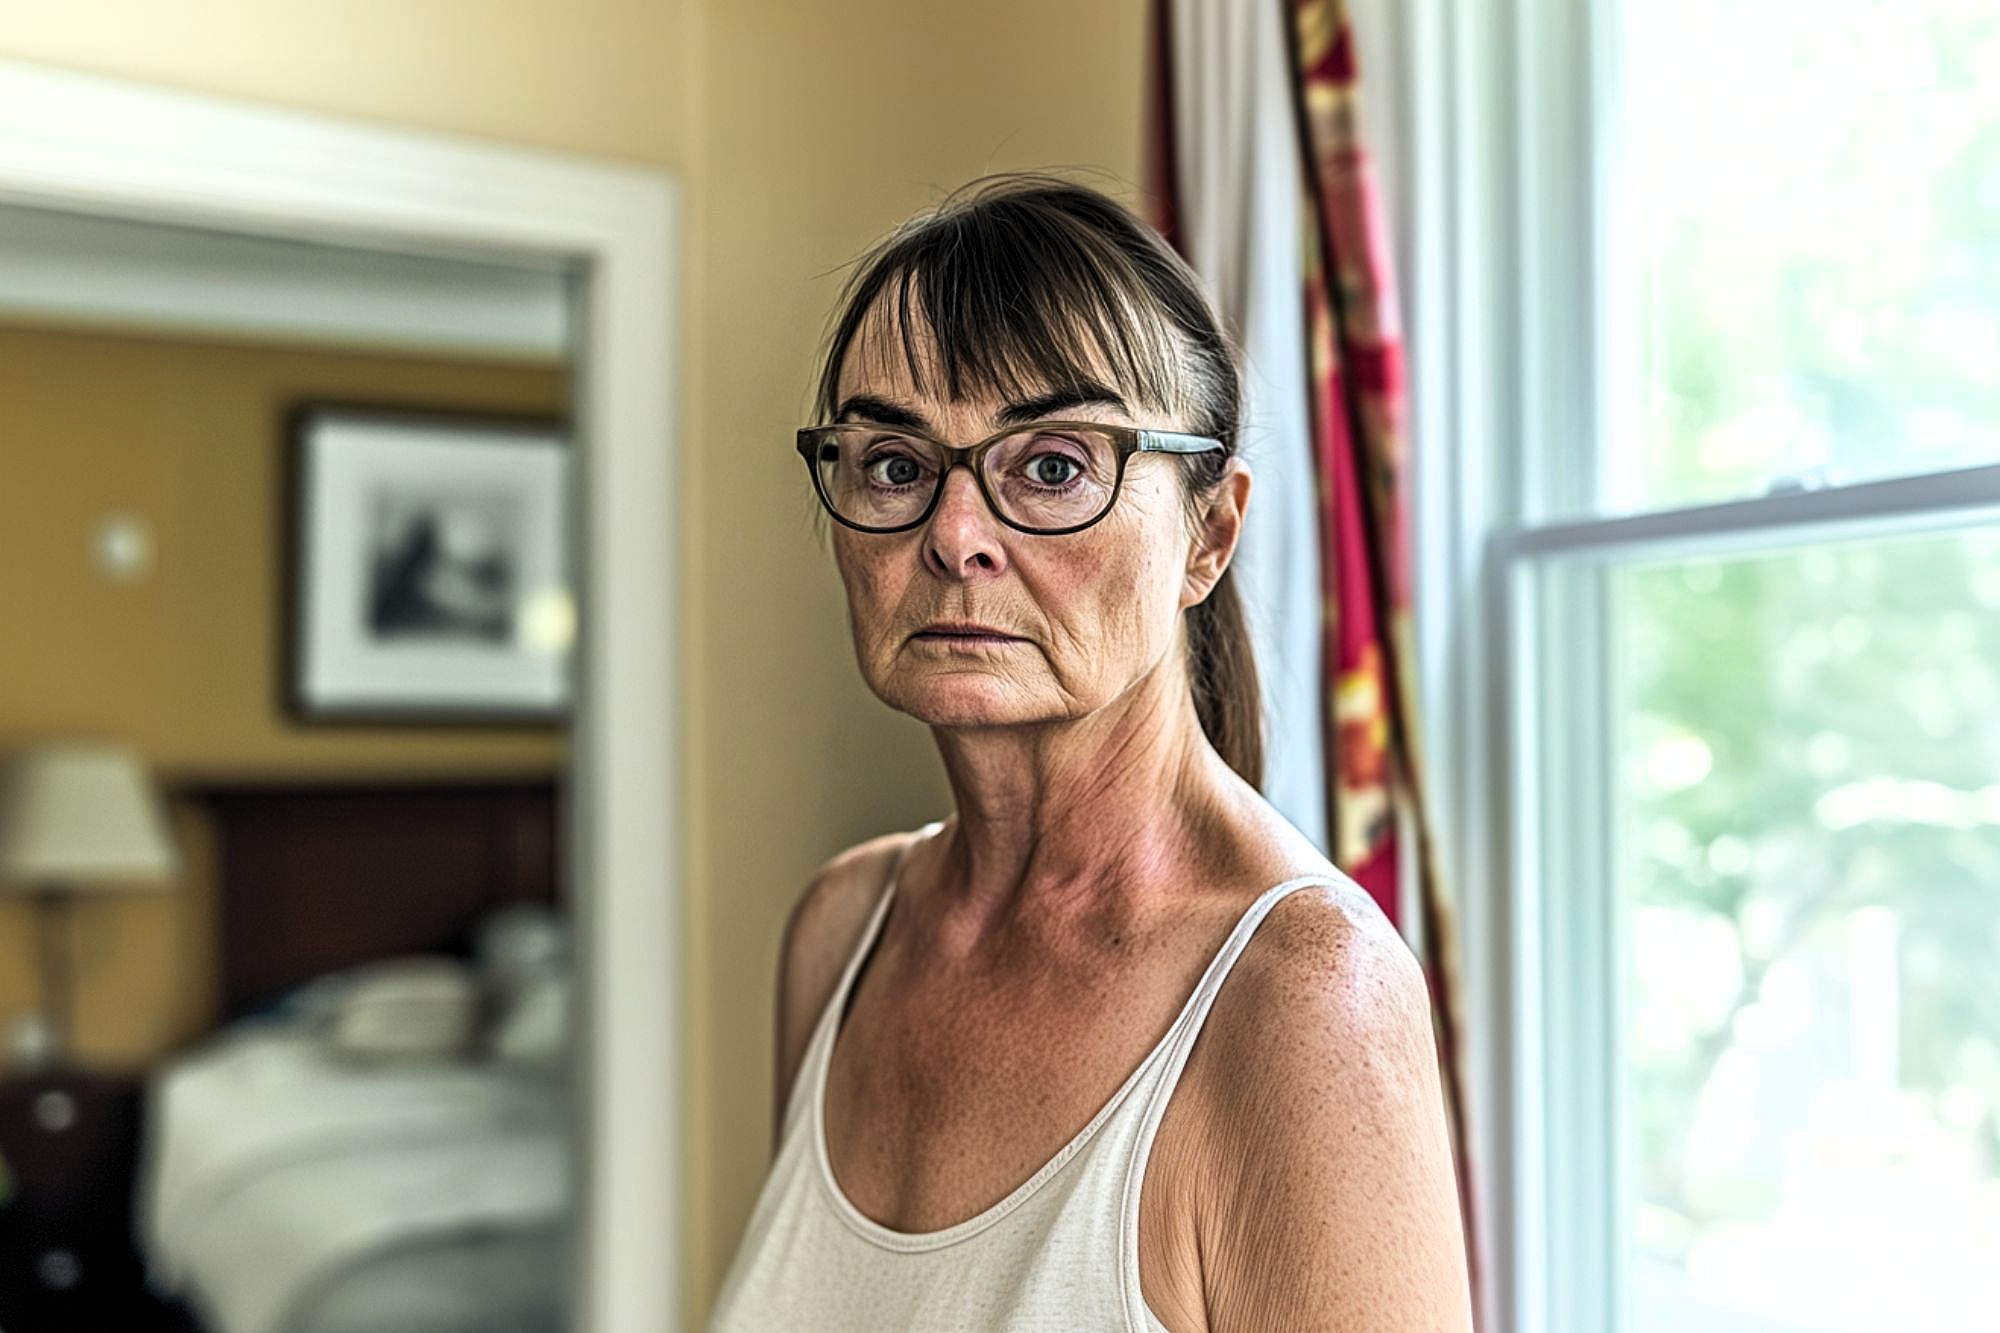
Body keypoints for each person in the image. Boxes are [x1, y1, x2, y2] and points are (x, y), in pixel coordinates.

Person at [708, 171, 1473, 1331]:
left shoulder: (1302, 1001)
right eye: (896, 465)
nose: (954, 534)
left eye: (1053, 466)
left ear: (1207, 535)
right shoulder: (839, 932)